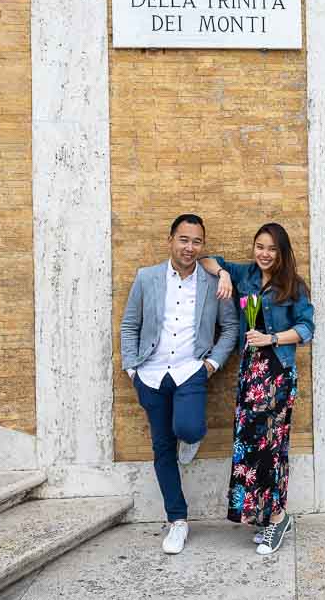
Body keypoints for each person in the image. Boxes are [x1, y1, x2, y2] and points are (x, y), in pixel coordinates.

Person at [121, 214, 239, 555]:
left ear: (203, 245)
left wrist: (212, 364)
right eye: (183, 239)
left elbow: (229, 328)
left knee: (187, 428)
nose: (189, 247)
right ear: (170, 240)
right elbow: (130, 324)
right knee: (162, 448)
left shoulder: (215, 282)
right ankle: (178, 520)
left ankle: (190, 439)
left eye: (196, 241)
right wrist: (132, 368)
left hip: (191, 370)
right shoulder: (147, 278)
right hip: (151, 374)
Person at [200, 222, 314, 556]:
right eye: (260, 247)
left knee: (270, 448)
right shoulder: (245, 275)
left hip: (277, 373)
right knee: (249, 445)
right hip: (251, 373)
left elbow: (307, 328)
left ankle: (276, 518)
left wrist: (272, 338)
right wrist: (222, 274)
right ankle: (270, 516)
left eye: (272, 249)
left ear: (282, 253)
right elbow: (207, 259)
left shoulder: (293, 286)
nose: (264, 254)